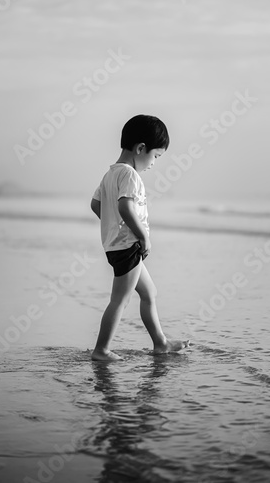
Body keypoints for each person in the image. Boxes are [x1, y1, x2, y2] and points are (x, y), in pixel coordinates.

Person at [90, 114, 190, 361]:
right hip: (129, 246)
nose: (154, 163)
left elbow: (96, 205)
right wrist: (143, 236)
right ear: (141, 148)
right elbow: (125, 207)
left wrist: (113, 227)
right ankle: (101, 350)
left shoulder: (110, 174)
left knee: (149, 292)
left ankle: (161, 343)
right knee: (120, 300)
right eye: (155, 156)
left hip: (118, 245)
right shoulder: (131, 175)